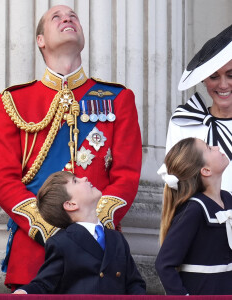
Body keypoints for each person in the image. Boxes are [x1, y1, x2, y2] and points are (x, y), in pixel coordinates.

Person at [0, 4, 142, 290]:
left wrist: (91, 227)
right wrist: (50, 229)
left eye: (73, 16)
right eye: (55, 17)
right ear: (40, 40)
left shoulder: (118, 98)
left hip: (100, 259)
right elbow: (4, 181)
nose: (67, 18)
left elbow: (127, 175)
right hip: (35, 257)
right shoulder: (13, 102)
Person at [13, 171, 146, 295]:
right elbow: (44, 283)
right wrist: (24, 292)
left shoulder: (116, 238)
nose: (85, 178)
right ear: (71, 204)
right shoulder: (61, 243)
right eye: (75, 181)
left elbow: (134, 284)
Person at [155, 137, 232, 295]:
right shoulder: (194, 209)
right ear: (206, 170)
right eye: (209, 148)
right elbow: (164, 264)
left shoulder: (228, 199)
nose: (216, 147)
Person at [166, 24, 232, 192]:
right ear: (204, 80)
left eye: (231, 75)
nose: (223, 85)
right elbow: (176, 187)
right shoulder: (184, 123)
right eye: (214, 77)